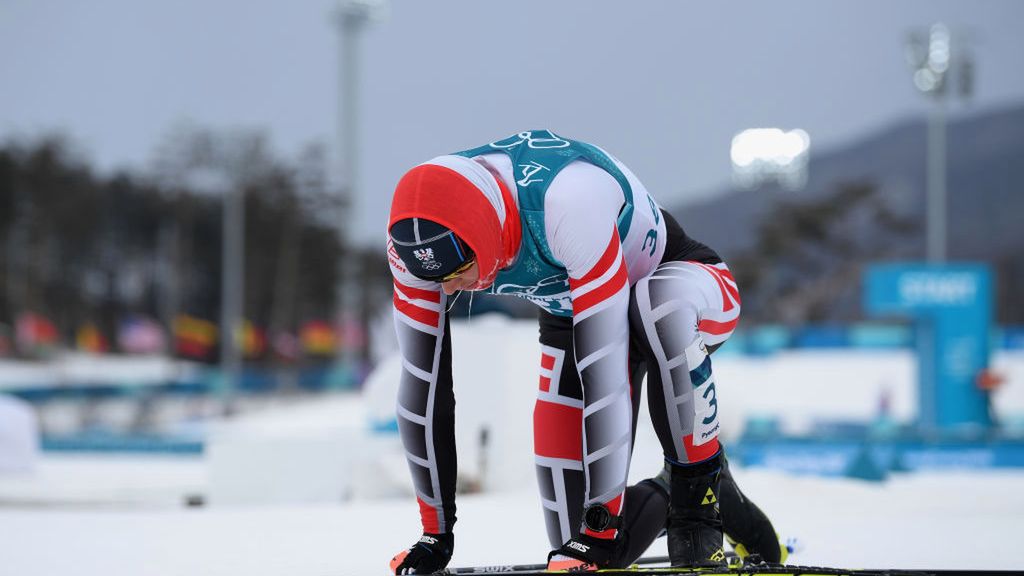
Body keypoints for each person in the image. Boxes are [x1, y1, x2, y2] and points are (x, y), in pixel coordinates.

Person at [386, 130, 785, 574]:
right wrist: (435, 534)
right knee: (571, 544)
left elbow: (607, 379)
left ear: (486, 232)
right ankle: (679, 493)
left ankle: (698, 496)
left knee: (656, 304)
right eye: (434, 277)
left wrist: (600, 527)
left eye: (459, 269)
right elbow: (423, 387)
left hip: (687, 284)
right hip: (574, 316)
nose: (446, 286)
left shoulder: (566, 202)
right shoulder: (419, 242)